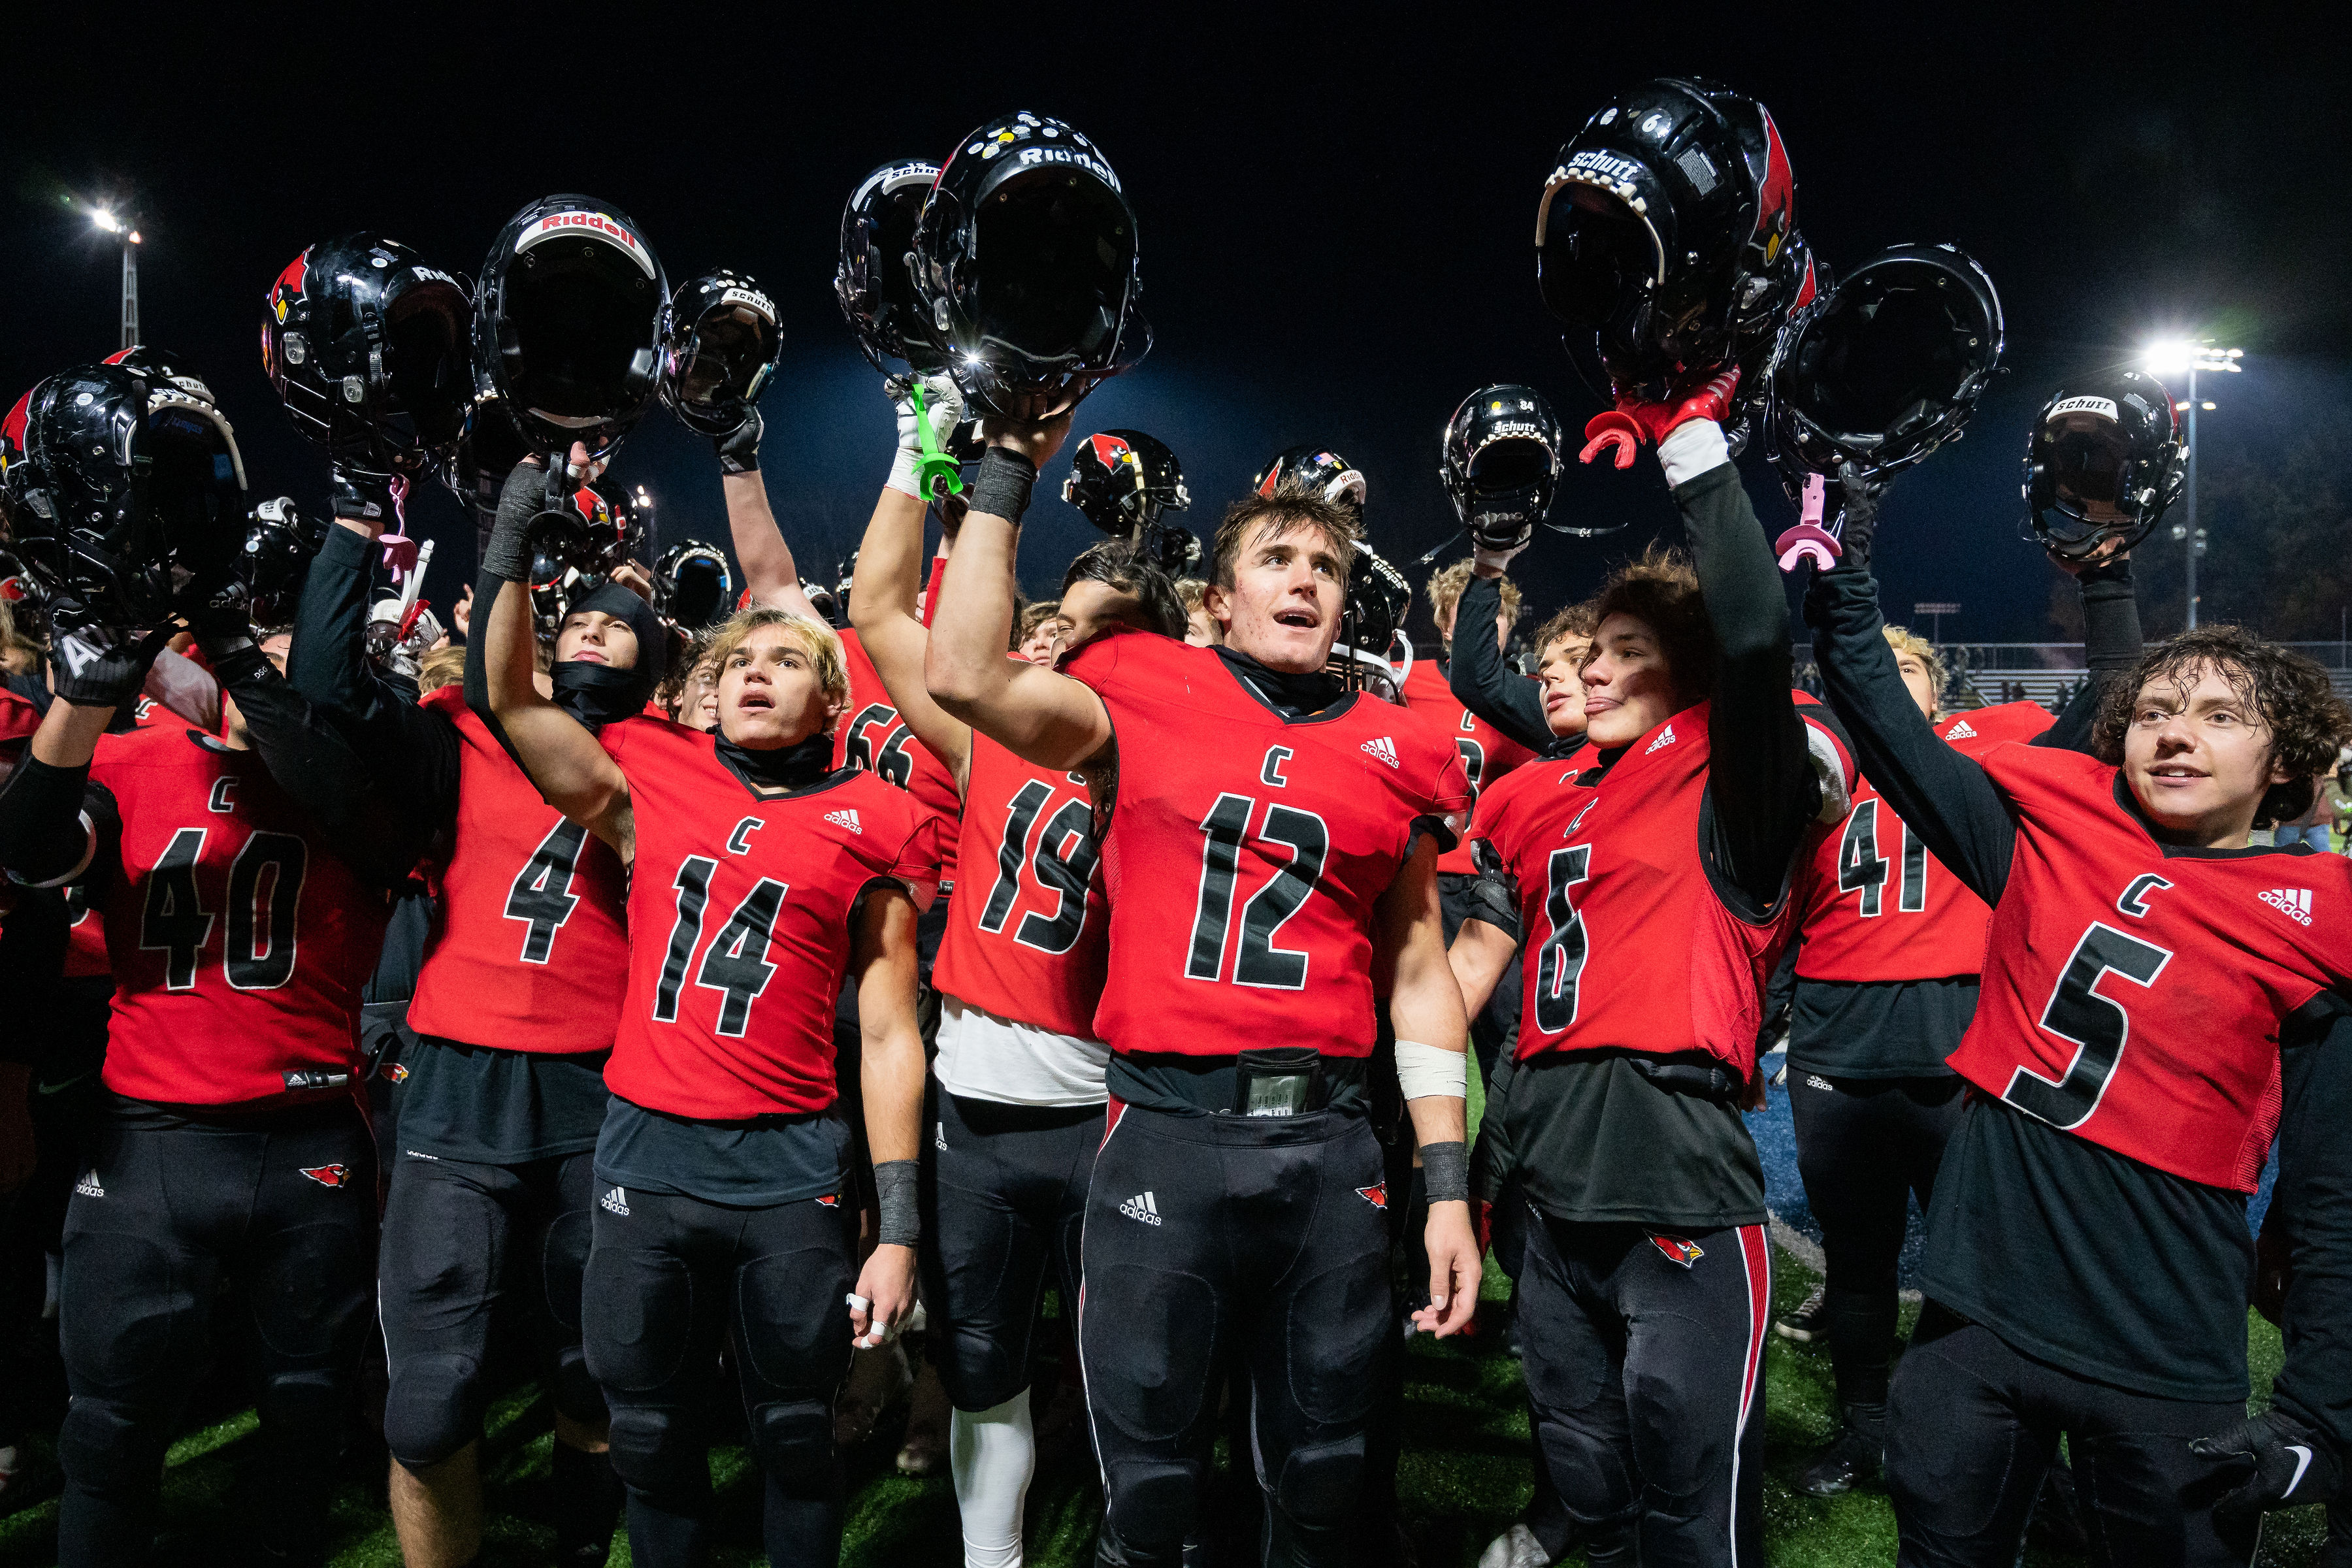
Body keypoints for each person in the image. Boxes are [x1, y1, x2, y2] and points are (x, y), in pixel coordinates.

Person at [925, 418, 1480, 1568]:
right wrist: (1005, 471)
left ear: (1345, 604)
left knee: (1322, 1481)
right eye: (1276, 559)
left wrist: (1446, 1187)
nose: (1305, 580)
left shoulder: (1398, 747)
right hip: (1167, 1129)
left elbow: (1420, 978)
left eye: (1325, 566)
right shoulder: (1141, 685)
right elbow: (964, 674)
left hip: (1329, 1148)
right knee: (1152, 1484)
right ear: (1219, 600)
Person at [1806, 493, 2352, 1566]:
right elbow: (1882, 720)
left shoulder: (2320, 919)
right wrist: (1849, 565)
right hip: (1977, 1324)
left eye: (2220, 716)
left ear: (2284, 760)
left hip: (2161, 1351)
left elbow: (2334, 1202)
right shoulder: (2048, 839)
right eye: (2153, 711)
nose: (2176, 734)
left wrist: (2319, 1418)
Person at [479, 447, 935, 1568]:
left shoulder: (877, 815)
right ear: (709, 686)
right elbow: (509, 699)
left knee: (793, 1436)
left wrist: (902, 1228)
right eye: (741, 661)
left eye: (788, 660)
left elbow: (887, 1034)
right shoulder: (649, 774)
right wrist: (510, 540)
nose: (759, 674)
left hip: (787, 1166)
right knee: (651, 1434)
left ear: (833, 696)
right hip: (645, 1150)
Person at [1447, 374, 1857, 1568]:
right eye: (1597, 651)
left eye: (1631, 651)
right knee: (1579, 1449)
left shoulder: (1728, 778)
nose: (1600, 671)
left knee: (1690, 1492)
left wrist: (1692, 443)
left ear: (1683, 671)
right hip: (1549, 1150)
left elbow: (1756, 629)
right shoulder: (1544, 800)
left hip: (1675, 1167)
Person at [280, 434, 710, 1566]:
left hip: (601, 1084)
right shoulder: (466, 731)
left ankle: (572, 1548)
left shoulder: (679, 759)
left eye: (620, 623)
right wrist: (366, 521)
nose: (592, 633)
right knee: (429, 1395)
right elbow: (322, 690)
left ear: (657, 659)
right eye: (578, 619)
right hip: (458, 1079)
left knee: (593, 1366)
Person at [849, 372, 1184, 1568]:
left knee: (1136, 1376)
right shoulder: (987, 733)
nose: (1070, 648)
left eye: (1106, 637)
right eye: (1067, 626)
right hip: (982, 1109)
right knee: (984, 1363)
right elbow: (882, 609)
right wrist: (913, 458)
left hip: (1121, 1113)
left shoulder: (1175, 762)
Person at [0, 603, 408, 1567]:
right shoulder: (132, 759)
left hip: (308, 1137)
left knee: (304, 1428)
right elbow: (26, 851)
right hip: (151, 1138)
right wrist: (80, 699)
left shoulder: (364, 786)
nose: (268, 673)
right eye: (255, 657)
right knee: (107, 1433)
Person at [1775, 570, 2140, 1501]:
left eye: (1912, 667)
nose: (1894, 679)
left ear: (1943, 688)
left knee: (1990, 1270)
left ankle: (2004, 1448)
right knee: (1858, 1267)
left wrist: (2108, 582)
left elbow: (2108, 699)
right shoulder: (1815, 766)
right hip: (1837, 1045)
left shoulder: (1995, 749)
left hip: (1963, 1044)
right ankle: (1866, 1430)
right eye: (1880, 666)